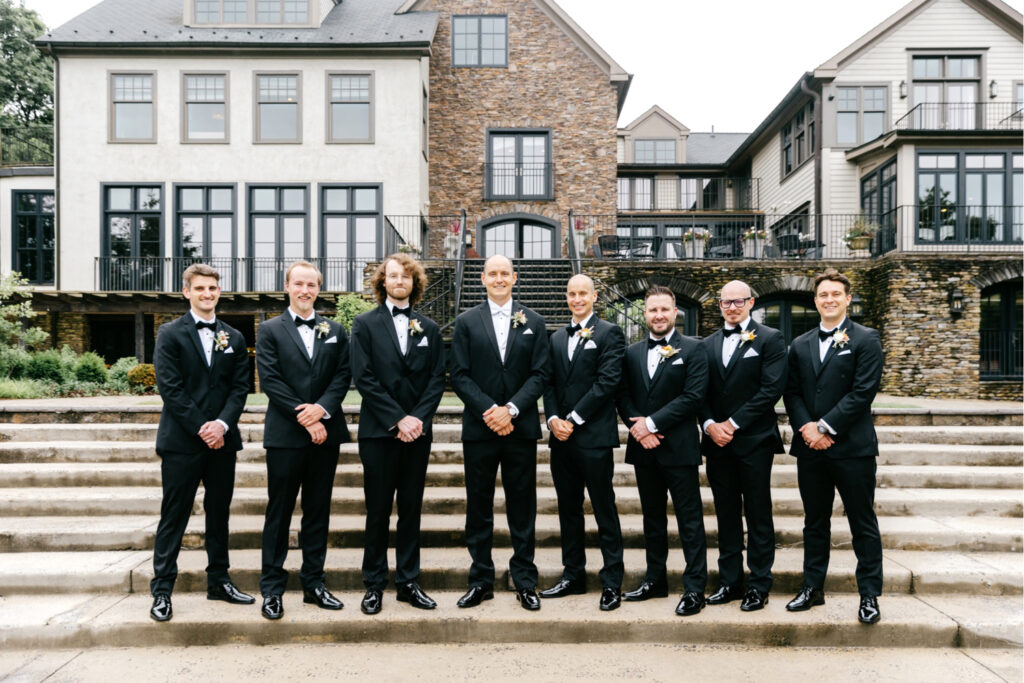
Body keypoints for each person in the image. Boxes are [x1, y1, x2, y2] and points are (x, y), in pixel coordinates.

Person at [149, 263, 252, 622]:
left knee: (219, 514)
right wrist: (201, 427)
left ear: (218, 292)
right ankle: (162, 589)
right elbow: (170, 387)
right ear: (187, 292)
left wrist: (222, 425)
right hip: (182, 442)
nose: (207, 294)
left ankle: (219, 581)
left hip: (223, 442)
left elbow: (241, 389)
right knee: (173, 515)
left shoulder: (234, 337)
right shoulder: (169, 334)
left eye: (213, 289)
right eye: (200, 289)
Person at [783, 268, 884, 624]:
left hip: (853, 448)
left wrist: (826, 426)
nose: (829, 300)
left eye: (835, 294)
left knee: (862, 522)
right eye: (823, 295)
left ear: (847, 298)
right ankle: (813, 588)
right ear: (815, 301)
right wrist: (807, 429)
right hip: (810, 448)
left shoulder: (866, 339)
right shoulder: (799, 344)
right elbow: (791, 392)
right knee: (815, 521)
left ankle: (869, 595)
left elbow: (863, 392)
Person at [450, 254, 550, 611]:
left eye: (504, 273)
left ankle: (524, 579)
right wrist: (489, 410)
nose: (498, 278)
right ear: (482, 279)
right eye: (492, 273)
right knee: (479, 506)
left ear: (514, 277)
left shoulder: (534, 322)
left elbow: (540, 374)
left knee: (522, 506)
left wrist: (511, 410)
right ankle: (480, 580)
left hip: (519, 428)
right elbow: (459, 374)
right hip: (480, 429)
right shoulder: (466, 322)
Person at [350, 254, 446, 615]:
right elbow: (364, 378)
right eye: (393, 275)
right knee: (377, 511)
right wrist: (397, 419)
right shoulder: (364, 325)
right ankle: (374, 584)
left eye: (406, 275)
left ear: (414, 282)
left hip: (417, 434)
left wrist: (417, 419)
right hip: (379, 433)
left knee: (411, 510)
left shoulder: (430, 329)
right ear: (383, 282)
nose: (400, 280)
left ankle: (408, 581)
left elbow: (437, 379)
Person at [256, 260, 351, 620]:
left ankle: (314, 583)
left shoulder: (335, 330)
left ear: (318, 288)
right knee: (278, 513)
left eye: (312, 284)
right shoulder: (269, 330)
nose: (305, 290)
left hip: (325, 436)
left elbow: (343, 376)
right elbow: (271, 379)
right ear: (287, 286)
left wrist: (322, 410)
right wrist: (304, 415)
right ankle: (272, 588)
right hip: (285, 436)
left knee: (318, 511)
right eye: (299, 284)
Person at [617, 285, 709, 616]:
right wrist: (638, 430)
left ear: (675, 312)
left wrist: (652, 424)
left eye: (664, 310)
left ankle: (695, 588)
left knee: (690, 520)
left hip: (679, 447)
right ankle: (655, 580)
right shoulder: (631, 352)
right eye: (652, 310)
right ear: (645, 313)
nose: (658, 315)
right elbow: (623, 395)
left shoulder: (694, 349)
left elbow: (693, 396)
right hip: (644, 449)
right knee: (652, 519)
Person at [539, 274, 626, 611]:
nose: (577, 299)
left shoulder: (610, 334)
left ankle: (612, 582)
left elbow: (606, 384)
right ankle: (573, 576)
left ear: (594, 296)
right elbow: (548, 383)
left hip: (594, 438)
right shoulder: (557, 337)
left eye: (583, 293)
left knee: (604, 509)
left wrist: (572, 420)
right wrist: (552, 420)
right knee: (568, 511)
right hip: (561, 441)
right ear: (567, 297)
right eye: (572, 294)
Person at [699, 280, 786, 612]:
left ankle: (759, 584)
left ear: (751, 302)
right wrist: (709, 425)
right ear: (719, 305)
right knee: (726, 514)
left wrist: (732, 424)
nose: (732, 307)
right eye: (726, 302)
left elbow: (771, 389)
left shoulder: (770, 339)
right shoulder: (705, 345)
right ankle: (730, 582)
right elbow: (699, 392)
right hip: (717, 443)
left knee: (758, 512)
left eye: (738, 301)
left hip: (754, 441)